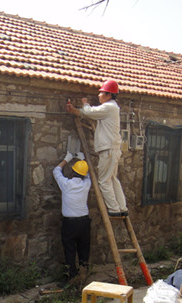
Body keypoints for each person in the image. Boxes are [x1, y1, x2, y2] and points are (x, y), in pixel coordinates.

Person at [66, 79, 128, 217]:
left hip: (108, 150)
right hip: (113, 149)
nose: (99, 95)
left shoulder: (109, 107)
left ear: (109, 95)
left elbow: (89, 112)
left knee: (104, 181)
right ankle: (122, 207)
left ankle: (114, 210)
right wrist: (75, 111)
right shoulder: (112, 108)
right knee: (113, 179)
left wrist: (85, 103)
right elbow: (88, 114)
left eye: (101, 93)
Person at [53, 150, 91, 283]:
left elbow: (56, 171)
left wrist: (67, 159)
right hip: (84, 222)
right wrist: (83, 160)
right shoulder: (86, 184)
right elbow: (88, 175)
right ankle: (84, 273)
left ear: (72, 172)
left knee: (69, 249)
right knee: (84, 248)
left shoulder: (66, 184)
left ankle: (72, 277)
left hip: (70, 224)